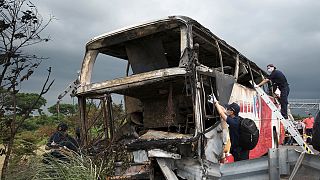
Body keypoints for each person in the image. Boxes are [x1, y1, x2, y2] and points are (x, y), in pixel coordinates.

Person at [208, 94, 249, 161]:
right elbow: (224, 111)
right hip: (243, 149)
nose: (227, 109)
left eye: (228, 109)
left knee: (241, 166)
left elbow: (222, 113)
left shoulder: (233, 122)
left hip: (239, 151)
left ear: (232, 112)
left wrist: (215, 102)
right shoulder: (237, 118)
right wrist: (215, 103)